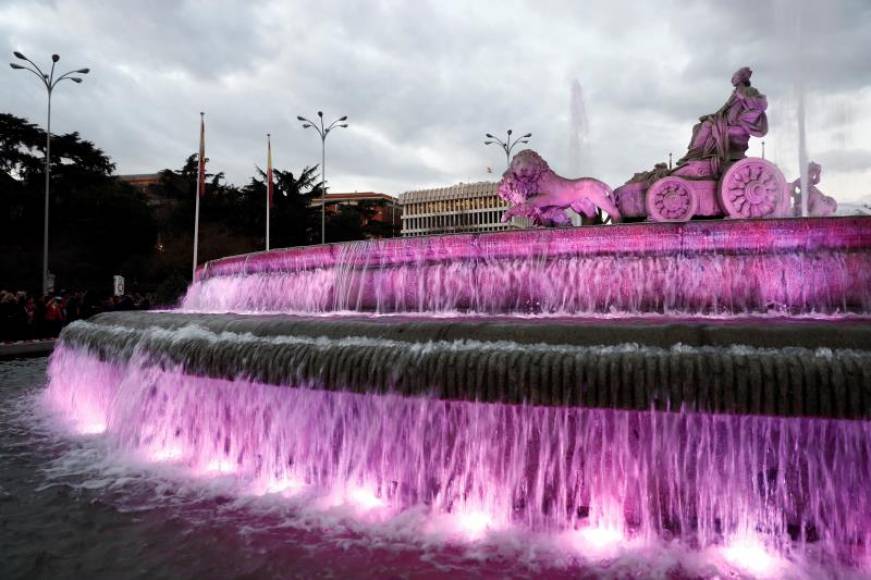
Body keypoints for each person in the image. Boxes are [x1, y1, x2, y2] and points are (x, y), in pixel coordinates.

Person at [676, 67, 769, 173]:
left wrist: (743, 97)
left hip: (739, 127)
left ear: (741, 78)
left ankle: (694, 155)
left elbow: (762, 105)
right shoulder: (735, 93)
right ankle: (693, 155)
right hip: (725, 123)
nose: (732, 79)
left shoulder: (749, 90)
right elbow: (724, 109)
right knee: (698, 126)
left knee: (707, 126)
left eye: (735, 76)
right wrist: (710, 116)